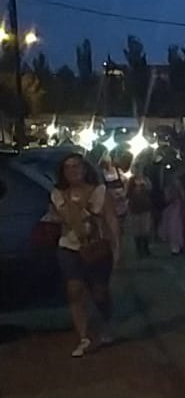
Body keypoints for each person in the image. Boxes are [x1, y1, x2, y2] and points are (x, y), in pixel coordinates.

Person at [47, 153, 121, 357]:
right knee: (75, 289)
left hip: (97, 248)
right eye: (68, 167)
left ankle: (107, 321)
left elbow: (112, 220)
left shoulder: (99, 192)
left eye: (77, 166)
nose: (73, 171)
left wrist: (117, 249)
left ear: (85, 168)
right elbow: (52, 217)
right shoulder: (58, 195)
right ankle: (84, 337)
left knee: (99, 291)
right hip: (69, 248)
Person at [160, 165, 185, 255]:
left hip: (173, 207)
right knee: (178, 226)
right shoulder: (179, 183)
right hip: (177, 206)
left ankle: (176, 246)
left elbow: (167, 196)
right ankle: (180, 245)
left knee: (173, 226)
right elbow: (183, 195)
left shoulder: (168, 183)